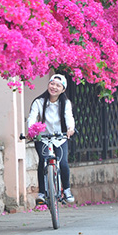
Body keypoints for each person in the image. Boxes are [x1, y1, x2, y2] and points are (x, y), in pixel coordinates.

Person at [27, 74, 76, 204]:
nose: (54, 87)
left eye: (58, 85)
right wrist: (31, 130)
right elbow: (32, 118)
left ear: (63, 89)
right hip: (42, 138)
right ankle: (42, 192)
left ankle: (66, 189)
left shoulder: (65, 103)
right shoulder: (39, 102)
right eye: (52, 84)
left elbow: (69, 117)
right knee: (43, 161)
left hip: (60, 138)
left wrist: (70, 128)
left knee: (63, 163)